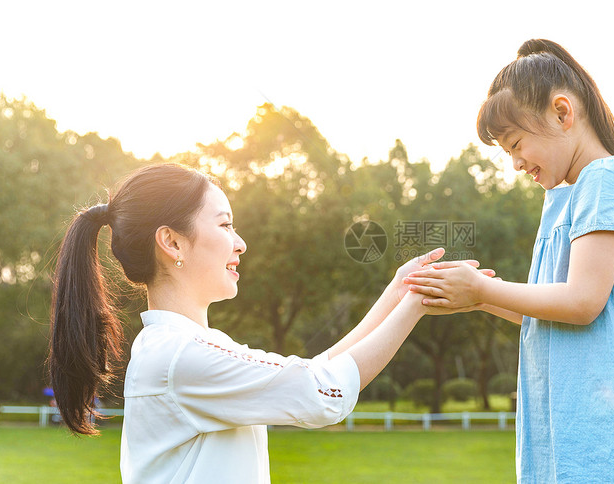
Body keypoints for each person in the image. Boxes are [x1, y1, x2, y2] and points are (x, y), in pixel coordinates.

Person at [47, 162, 488, 483]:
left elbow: (314, 371)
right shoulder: (180, 357)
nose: (240, 243)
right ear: (171, 241)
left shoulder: (191, 346)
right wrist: (416, 303)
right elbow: (323, 396)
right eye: (225, 225)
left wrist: (397, 292)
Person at [404, 39, 614, 483]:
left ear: (562, 113)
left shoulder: (607, 176)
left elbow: (583, 302)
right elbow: (550, 311)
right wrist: (476, 297)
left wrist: (484, 289)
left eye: (515, 143)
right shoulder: (565, 199)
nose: (514, 163)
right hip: (571, 425)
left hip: (609, 431)